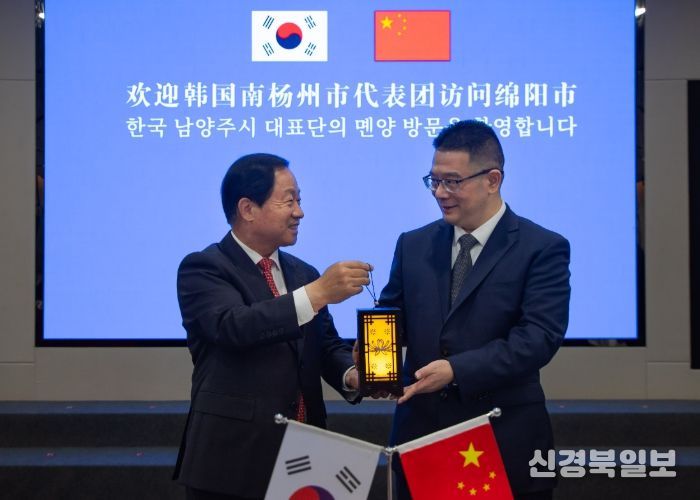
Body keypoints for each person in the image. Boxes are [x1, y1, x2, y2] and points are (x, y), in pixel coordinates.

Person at [379, 120, 571, 500]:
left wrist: (456, 370)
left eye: (452, 182)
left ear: (492, 180)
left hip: (502, 435)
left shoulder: (541, 248)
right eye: (434, 181)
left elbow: (538, 338)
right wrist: (373, 349)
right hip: (422, 437)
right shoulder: (413, 244)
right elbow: (393, 314)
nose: (440, 192)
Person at [173, 153, 371, 500]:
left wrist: (352, 374)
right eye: (288, 201)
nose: (299, 212)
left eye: (299, 200)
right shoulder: (204, 268)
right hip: (232, 462)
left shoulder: (303, 273)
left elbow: (325, 345)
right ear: (248, 209)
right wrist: (317, 293)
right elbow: (234, 326)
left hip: (305, 460)